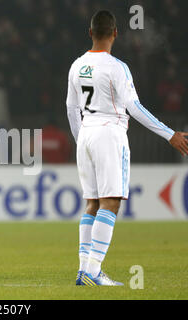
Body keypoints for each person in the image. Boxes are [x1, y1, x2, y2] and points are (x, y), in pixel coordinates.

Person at [66, 10, 188, 286]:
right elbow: (134, 108)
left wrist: (80, 139)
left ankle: (83, 269)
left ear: (90, 33)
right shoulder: (117, 67)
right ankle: (93, 271)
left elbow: (71, 108)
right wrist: (169, 134)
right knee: (110, 202)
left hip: (86, 133)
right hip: (109, 133)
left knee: (92, 204)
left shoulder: (76, 65)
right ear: (115, 34)